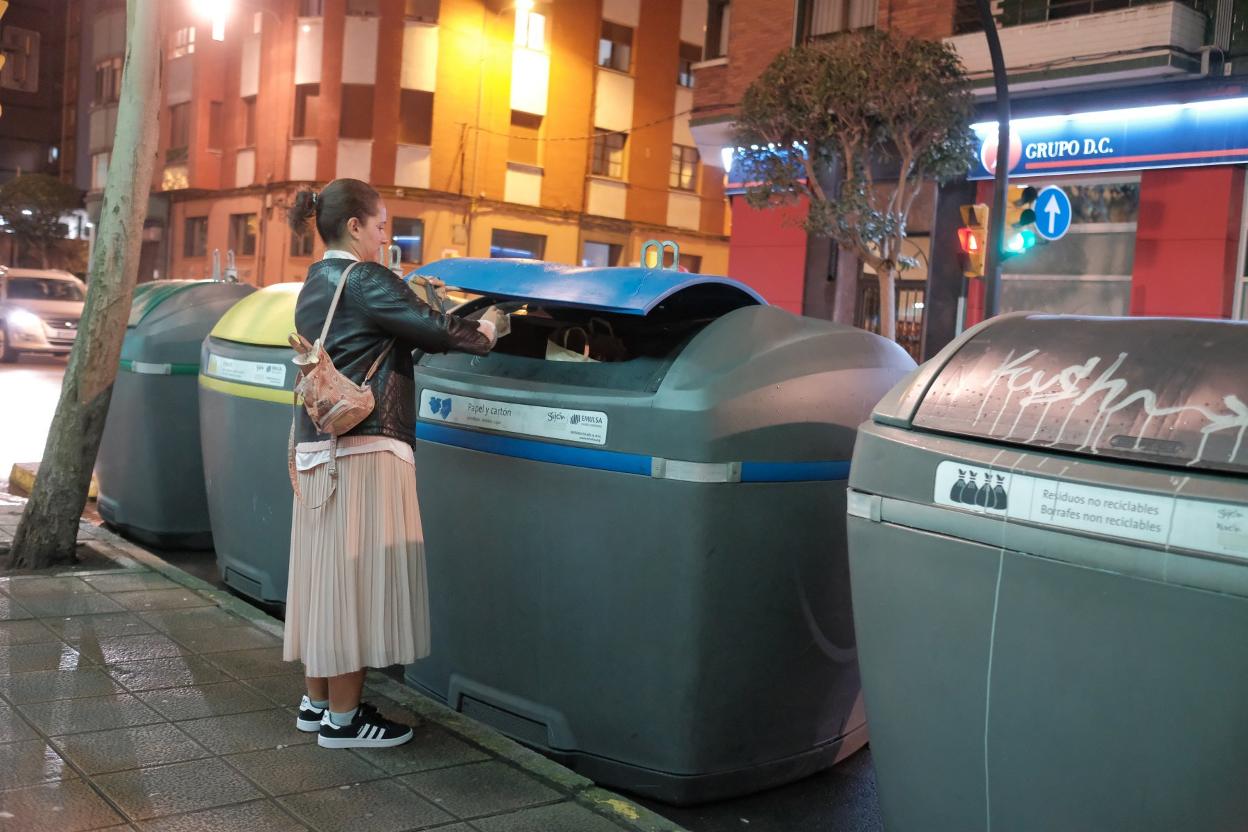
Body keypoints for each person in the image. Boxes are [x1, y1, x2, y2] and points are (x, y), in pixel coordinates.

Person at [282, 178, 494, 749]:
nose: (385, 237)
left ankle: (317, 704)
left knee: (326, 578)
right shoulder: (364, 277)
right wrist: (490, 330)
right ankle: (345, 724)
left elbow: (381, 341)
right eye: (381, 226)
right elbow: (436, 328)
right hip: (365, 445)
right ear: (354, 226)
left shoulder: (314, 281)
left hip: (319, 447)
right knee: (352, 580)